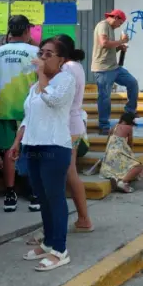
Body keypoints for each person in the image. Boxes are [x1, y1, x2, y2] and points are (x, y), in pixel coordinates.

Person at [9, 37, 75, 272]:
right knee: (42, 197)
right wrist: (17, 141)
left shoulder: (66, 79)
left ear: (61, 60)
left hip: (54, 146)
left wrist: (42, 77)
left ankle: (60, 250)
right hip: (33, 145)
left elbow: (54, 101)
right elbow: (29, 116)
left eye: (49, 54)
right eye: (41, 53)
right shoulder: (34, 86)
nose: (42, 58)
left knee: (55, 197)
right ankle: (48, 242)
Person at [0, 15, 39, 213]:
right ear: (27, 30)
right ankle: (34, 193)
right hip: (30, 108)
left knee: (8, 152)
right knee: (32, 150)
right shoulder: (36, 52)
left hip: (5, 108)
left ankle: (10, 194)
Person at [55, 34, 94, 233]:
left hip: (69, 125)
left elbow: (61, 97)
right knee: (69, 173)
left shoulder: (67, 69)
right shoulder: (75, 66)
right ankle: (82, 218)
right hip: (74, 124)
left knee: (69, 173)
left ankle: (83, 218)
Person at [90, 9, 138, 135]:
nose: (119, 26)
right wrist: (122, 41)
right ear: (116, 17)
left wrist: (119, 48)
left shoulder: (110, 29)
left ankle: (130, 113)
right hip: (103, 69)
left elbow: (108, 49)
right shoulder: (103, 25)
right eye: (120, 23)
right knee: (105, 97)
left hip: (114, 67)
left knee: (132, 83)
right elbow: (104, 43)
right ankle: (104, 125)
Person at [100, 112, 143, 193]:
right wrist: (131, 154)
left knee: (126, 166)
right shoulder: (128, 128)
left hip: (108, 158)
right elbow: (130, 143)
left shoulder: (113, 127)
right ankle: (122, 182)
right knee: (139, 166)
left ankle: (119, 180)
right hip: (118, 154)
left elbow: (108, 142)